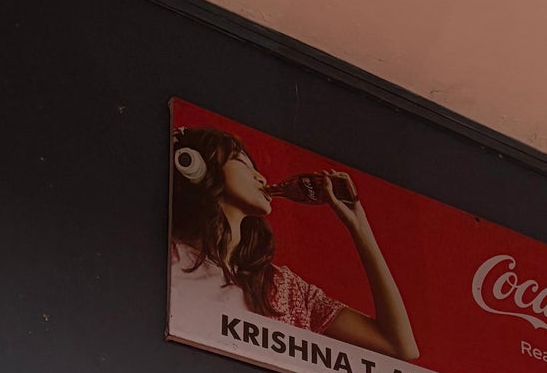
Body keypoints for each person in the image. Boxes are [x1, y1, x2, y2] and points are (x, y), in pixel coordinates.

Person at [170, 123, 419, 359]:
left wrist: (359, 226)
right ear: (195, 167)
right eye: (241, 162)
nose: (261, 177)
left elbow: (399, 345)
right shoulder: (166, 257)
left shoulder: (285, 290)